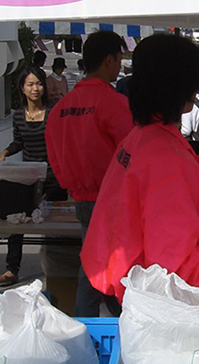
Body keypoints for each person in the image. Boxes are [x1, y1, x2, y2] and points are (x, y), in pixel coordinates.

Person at [80, 35, 199, 304]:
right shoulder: (167, 159)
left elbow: (149, 219)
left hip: (133, 289)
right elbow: (172, 265)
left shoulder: (140, 136)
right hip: (161, 307)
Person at [45, 31, 134, 317]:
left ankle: (97, 323)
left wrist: (72, 185)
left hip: (80, 199)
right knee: (104, 270)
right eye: (119, 59)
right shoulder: (113, 103)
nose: (120, 66)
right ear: (109, 60)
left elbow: (54, 156)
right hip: (113, 200)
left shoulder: (61, 108)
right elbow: (133, 152)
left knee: (95, 264)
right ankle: (100, 327)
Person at [0, 66, 67, 286]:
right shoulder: (17, 115)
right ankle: (11, 269)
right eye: (31, 84)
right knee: (17, 223)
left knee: (56, 228)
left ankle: (60, 269)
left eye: (39, 84)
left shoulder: (54, 111)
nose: (36, 89)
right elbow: (19, 141)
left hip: (54, 177)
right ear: (23, 89)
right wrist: (5, 152)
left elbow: (63, 141)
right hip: (29, 178)